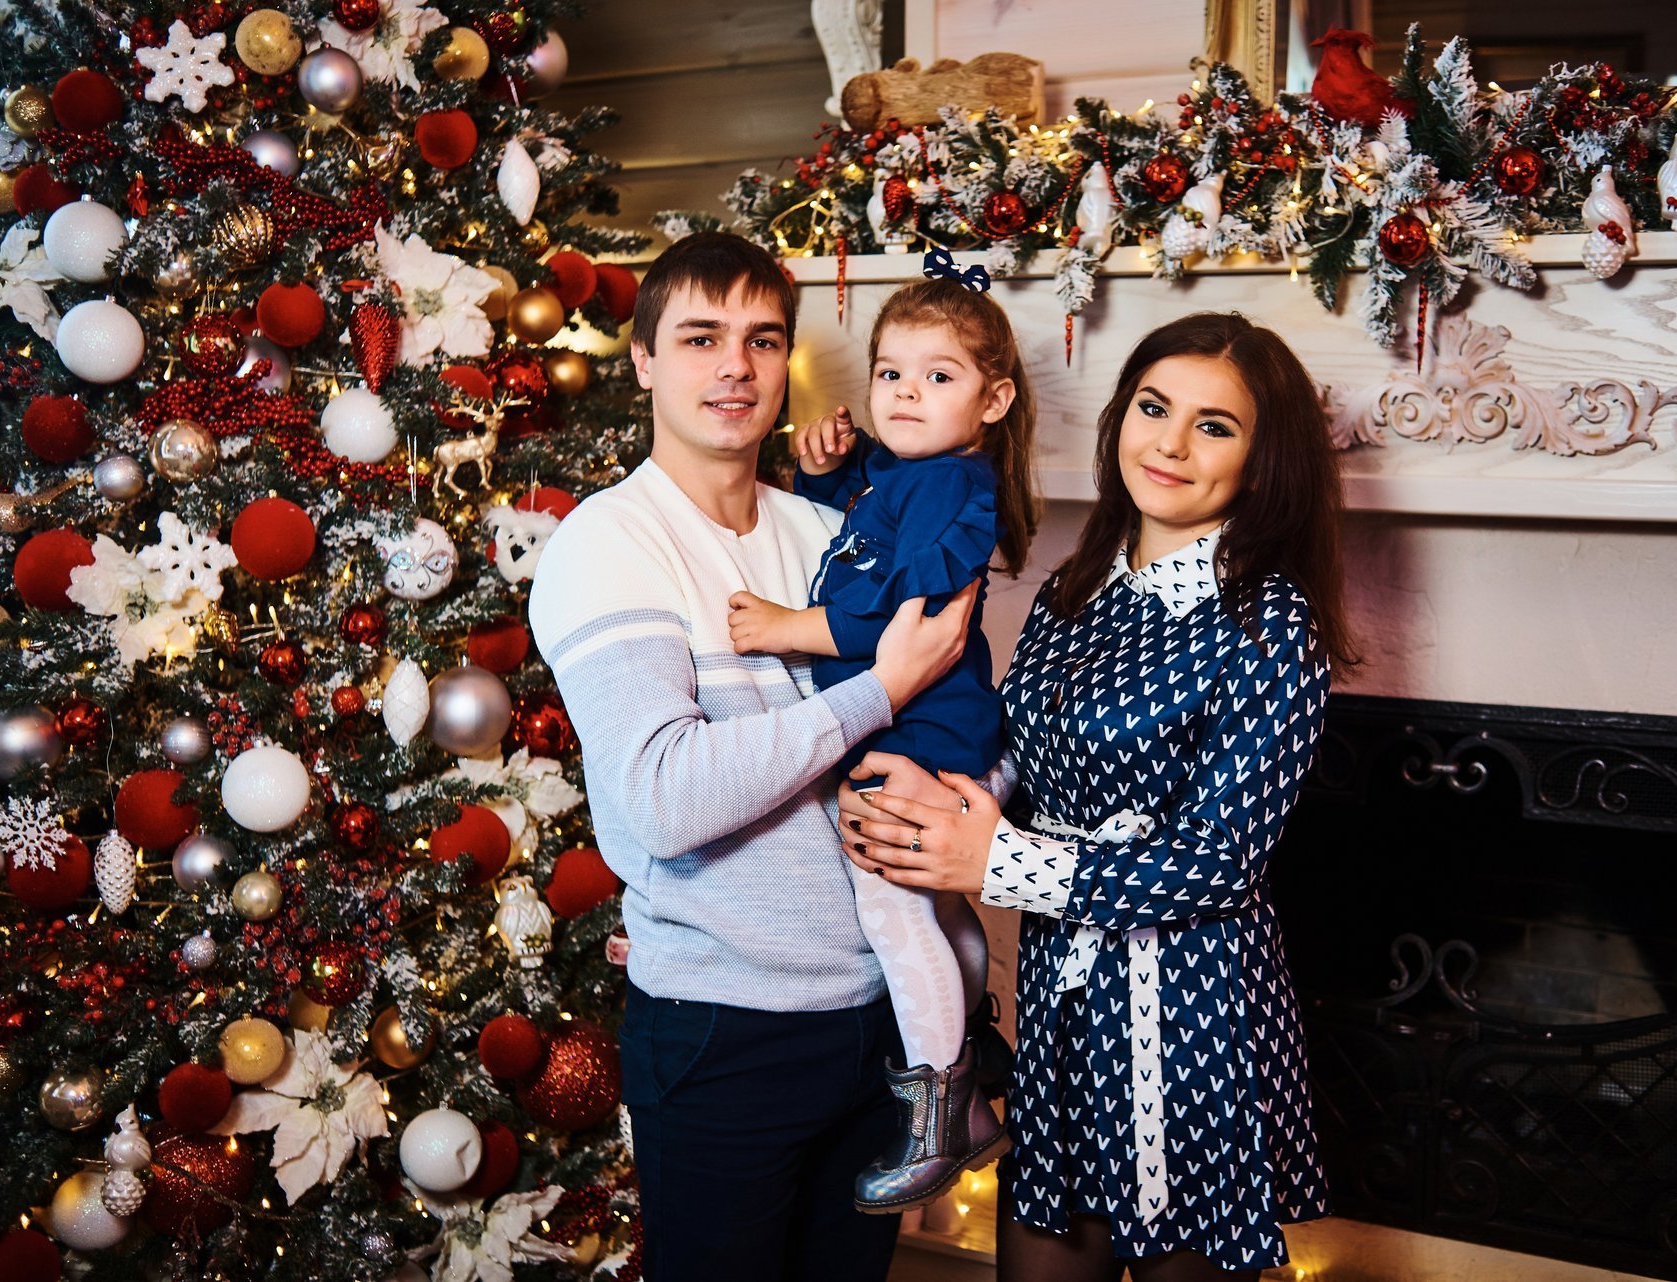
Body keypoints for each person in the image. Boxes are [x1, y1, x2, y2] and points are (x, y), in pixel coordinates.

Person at [835, 312, 1359, 1279]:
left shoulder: (1271, 620)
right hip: (1061, 1012)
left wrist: (995, 859)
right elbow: (1020, 757)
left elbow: (1219, 862)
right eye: (1154, 408)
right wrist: (941, 798)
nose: (1170, 443)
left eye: (1214, 425)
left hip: (1191, 1017)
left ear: (1262, 461)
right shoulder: (1075, 588)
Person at [528, 232, 986, 1282]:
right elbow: (664, 799)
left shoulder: (830, 528)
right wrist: (880, 688)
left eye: (762, 340)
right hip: (727, 1034)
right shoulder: (610, 543)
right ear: (644, 361)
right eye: (701, 338)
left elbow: (940, 720)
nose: (735, 367)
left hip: (877, 1023)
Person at [725, 271, 1040, 1212]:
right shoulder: (920, 474)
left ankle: (937, 1118)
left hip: (919, 738)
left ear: (994, 400)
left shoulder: (949, 482)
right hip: (936, 734)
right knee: (935, 908)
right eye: (891, 372)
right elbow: (865, 527)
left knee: (894, 915)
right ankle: (974, 1079)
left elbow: (903, 612)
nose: (906, 392)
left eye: (939, 377)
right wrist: (828, 471)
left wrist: (787, 627)